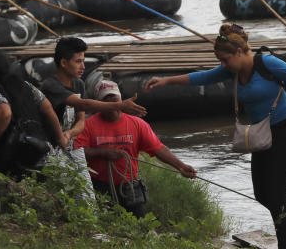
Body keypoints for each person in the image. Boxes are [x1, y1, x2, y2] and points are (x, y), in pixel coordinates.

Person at [145, 24, 286, 249]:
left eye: (224, 59)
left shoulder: (267, 64)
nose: (222, 65)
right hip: (262, 136)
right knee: (262, 194)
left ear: (238, 52)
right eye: (219, 61)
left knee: (276, 196)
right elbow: (202, 77)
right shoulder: (230, 71)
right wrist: (166, 81)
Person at [75, 80, 196, 217]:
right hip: (99, 186)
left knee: (139, 228)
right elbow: (77, 152)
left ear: (120, 99)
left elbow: (158, 148)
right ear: (99, 103)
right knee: (106, 226)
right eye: (106, 99)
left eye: (114, 98)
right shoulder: (88, 125)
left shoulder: (137, 124)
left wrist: (180, 166)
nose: (111, 103)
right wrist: (103, 152)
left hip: (129, 187)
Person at [0, 50, 66, 179]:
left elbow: (4, 114)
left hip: (17, 156)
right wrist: (60, 137)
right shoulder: (26, 85)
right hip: (43, 153)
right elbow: (48, 108)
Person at [40, 37, 147, 148]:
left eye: (83, 61)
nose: (83, 67)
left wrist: (69, 133)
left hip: (68, 142)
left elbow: (81, 119)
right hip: (49, 145)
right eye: (78, 61)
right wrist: (121, 105)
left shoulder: (79, 84)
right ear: (63, 62)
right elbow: (83, 104)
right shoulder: (50, 85)